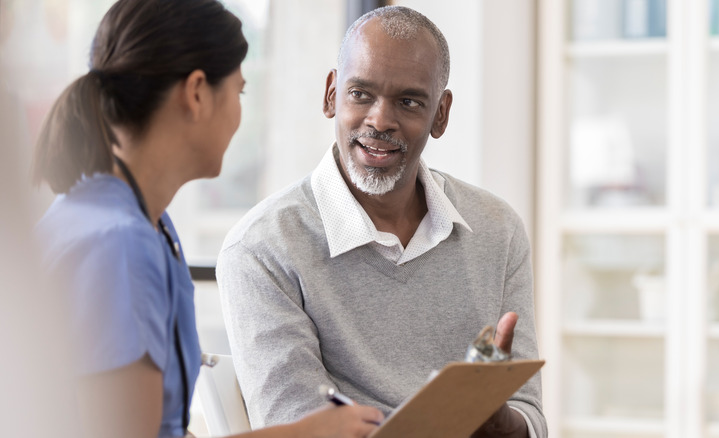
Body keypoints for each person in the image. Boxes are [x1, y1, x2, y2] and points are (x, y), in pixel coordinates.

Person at [32, 1, 383, 438]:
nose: (239, 113)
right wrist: (306, 434)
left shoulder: (137, 223)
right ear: (197, 92)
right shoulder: (119, 247)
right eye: (239, 91)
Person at [217, 5, 546, 437]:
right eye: (361, 94)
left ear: (441, 114)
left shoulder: (496, 229)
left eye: (408, 102)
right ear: (332, 94)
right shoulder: (263, 248)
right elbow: (296, 428)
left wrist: (493, 418)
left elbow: (532, 419)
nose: (380, 120)